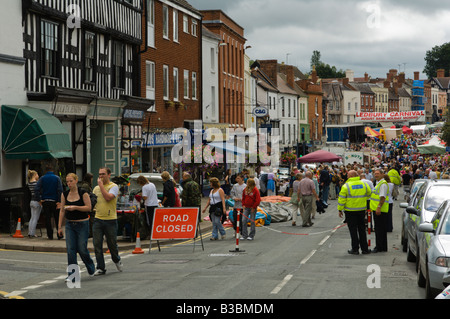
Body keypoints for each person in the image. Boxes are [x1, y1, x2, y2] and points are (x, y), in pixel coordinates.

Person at [57, 173, 95, 279]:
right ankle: (73, 275)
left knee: (82, 249)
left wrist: (75, 207)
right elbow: (62, 211)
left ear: (76, 181)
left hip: (82, 224)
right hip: (70, 224)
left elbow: (88, 208)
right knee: (71, 250)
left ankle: (90, 266)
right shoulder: (64, 194)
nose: (69, 184)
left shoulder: (83, 193)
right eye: (67, 182)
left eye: (71, 181)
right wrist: (59, 227)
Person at [92, 167, 123, 275]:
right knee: (97, 244)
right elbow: (93, 202)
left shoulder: (113, 186)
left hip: (110, 220)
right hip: (98, 219)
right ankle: (101, 267)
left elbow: (108, 197)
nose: (101, 176)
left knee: (112, 244)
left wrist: (101, 186)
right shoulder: (95, 189)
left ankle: (116, 259)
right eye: (99, 174)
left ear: (109, 175)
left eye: (103, 174)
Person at [338, 170, 372, 255]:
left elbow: (342, 198)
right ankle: (365, 249)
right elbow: (369, 193)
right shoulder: (364, 184)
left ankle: (355, 249)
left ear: (349, 176)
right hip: (361, 210)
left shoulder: (346, 186)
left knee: (353, 230)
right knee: (362, 229)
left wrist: (340, 209)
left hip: (350, 211)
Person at [35, 164, 64, 240]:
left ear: (45, 171)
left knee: (47, 219)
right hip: (55, 201)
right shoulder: (57, 178)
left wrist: (39, 199)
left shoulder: (42, 178)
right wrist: (59, 201)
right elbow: (60, 190)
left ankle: (50, 235)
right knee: (57, 218)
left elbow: (36, 189)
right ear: (53, 170)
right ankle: (59, 234)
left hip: (45, 201)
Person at [370, 168, 390, 253]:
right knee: (381, 229)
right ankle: (382, 247)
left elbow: (382, 197)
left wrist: (378, 207)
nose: (376, 175)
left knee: (379, 229)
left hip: (380, 210)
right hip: (378, 209)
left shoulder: (383, 184)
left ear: (382, 174)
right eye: (375, 173)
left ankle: (379, 247)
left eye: (377, 173)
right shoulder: (379, 183)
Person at [27, 170, 42, 238]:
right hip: (37, 201)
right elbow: (38, 192)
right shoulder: (36, 183)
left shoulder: (29, 183)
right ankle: (32, 233)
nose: (38, 176)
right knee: (35, 218)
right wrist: (40, 201)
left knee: (32, 218)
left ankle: (30, 232)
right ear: (35, 175)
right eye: (37, 174)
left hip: (31, 201)